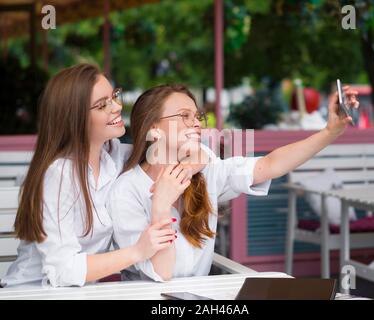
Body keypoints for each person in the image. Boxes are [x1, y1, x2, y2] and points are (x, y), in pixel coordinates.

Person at [107, 83, 359, 281]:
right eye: (184, 116)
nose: (195, 123)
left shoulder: (206, 172)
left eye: (197, 116)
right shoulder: (126, 191)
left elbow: (268, 165)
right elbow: (162, 275)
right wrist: (160, 207)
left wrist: (330, 132)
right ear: (153, 129)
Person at [0, 64, 176, 288]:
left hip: (79, 293)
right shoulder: (59, 175)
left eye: (114, 97)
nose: (116, 107)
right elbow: (63, 271)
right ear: (75, 118)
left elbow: (167, 156)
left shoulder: (113, 155)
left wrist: (183, 147)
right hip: (33, 292)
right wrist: (138, 251)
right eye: (103, 105)